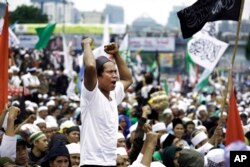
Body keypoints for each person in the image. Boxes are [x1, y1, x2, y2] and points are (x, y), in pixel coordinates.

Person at [80, 37, 133, 166]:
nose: (115, 75)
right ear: (98, 77)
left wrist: (116, 55)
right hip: (92, 162)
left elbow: (127, 79)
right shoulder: (91, 94)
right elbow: (91, 66)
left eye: (115, 72)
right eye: (110, 72)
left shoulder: (114, 95)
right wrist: (86, 45)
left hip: (110, 162)